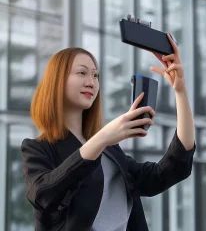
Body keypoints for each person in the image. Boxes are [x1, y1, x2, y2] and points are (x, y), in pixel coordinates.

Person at [21, 33, 196, 231]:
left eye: (95, 75)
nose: (91, 82)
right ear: (57, 81)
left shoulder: (111, 151)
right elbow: (43, 195)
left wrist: (180, 92)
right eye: (82, 73)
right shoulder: (37, 149)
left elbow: (168, 171)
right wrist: (102, 138)